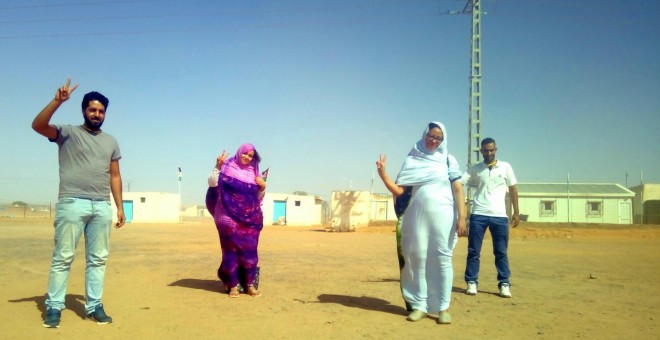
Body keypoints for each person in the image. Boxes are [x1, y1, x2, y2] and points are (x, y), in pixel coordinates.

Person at [32, 78, 126, 328]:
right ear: (84, 110)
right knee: (63, 257)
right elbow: (38, 125)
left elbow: (114, 175)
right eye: (92, 109)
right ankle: (54, 306)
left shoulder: (111, 141)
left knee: (98, 259)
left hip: (100, 207)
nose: (97, 114)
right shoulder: (68, 133)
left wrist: (119, 206)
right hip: (72, 203)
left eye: (101, 111)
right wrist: (57, 101)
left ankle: (94, 305)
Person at [376, 121, 467, 325]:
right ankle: (421, 306)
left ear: (443, 140)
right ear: (425, 135)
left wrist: (462, 217)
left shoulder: (448, 160)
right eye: (431, 136)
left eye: (438, 138)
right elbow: (400, 191)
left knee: (443, 258)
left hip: (444, 216)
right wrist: (383, 175)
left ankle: (444, 308)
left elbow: (458, 189)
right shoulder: (413, 158)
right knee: (419, 259)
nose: (434, 140)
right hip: (416, 217)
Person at [206, 143, 266, 298]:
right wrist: (217, 166)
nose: (247, 157)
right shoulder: (227, 167)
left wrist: (263, 187)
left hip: (250, 219)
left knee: (250, 252)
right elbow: (213, 184)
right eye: (245, 153)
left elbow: (257, 198)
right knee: (230, 251)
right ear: (239, 152)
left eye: (251, 155)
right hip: (227, 216)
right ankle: (233, 285)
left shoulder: (255, 174)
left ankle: (250, 285)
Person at [462, 137, 519, 298]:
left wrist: (516, 212)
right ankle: (471, 282)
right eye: (485, 150)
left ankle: (504, 284)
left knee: (501, 252)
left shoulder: (505, 167)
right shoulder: (475, 169)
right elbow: (459, 183)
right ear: (481, 151)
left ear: (496, 150)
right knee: (474, 251)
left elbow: (513, 190)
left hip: (499, 216)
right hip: (478, 214)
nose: (489, 153)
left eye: (491, 150)